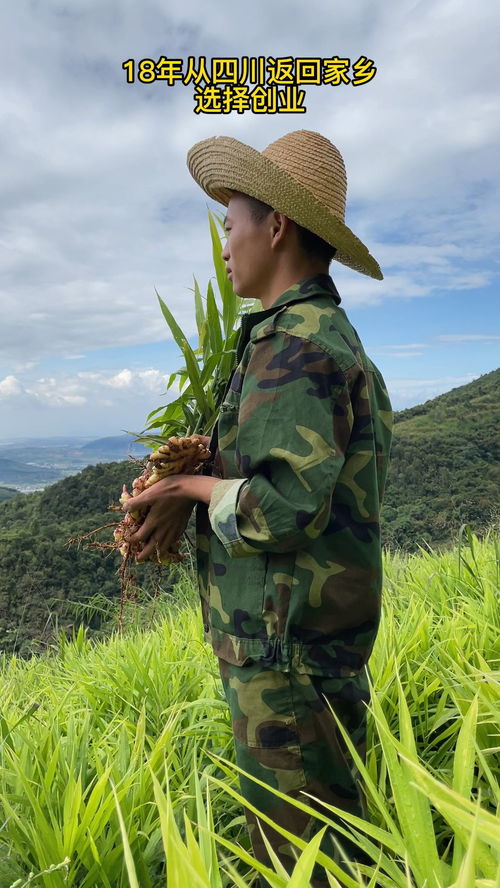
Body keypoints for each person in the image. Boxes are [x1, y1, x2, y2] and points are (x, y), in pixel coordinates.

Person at [123, 130, 393, 886]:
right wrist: (206, 465)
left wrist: (185, 490)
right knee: (332, 836)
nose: (225, 244)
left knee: (300, 857)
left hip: (286, 654)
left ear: (276, 226)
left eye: (232, 222)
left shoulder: (295, 344)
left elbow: (286, 509)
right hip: (300, 644)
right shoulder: (318, 336)